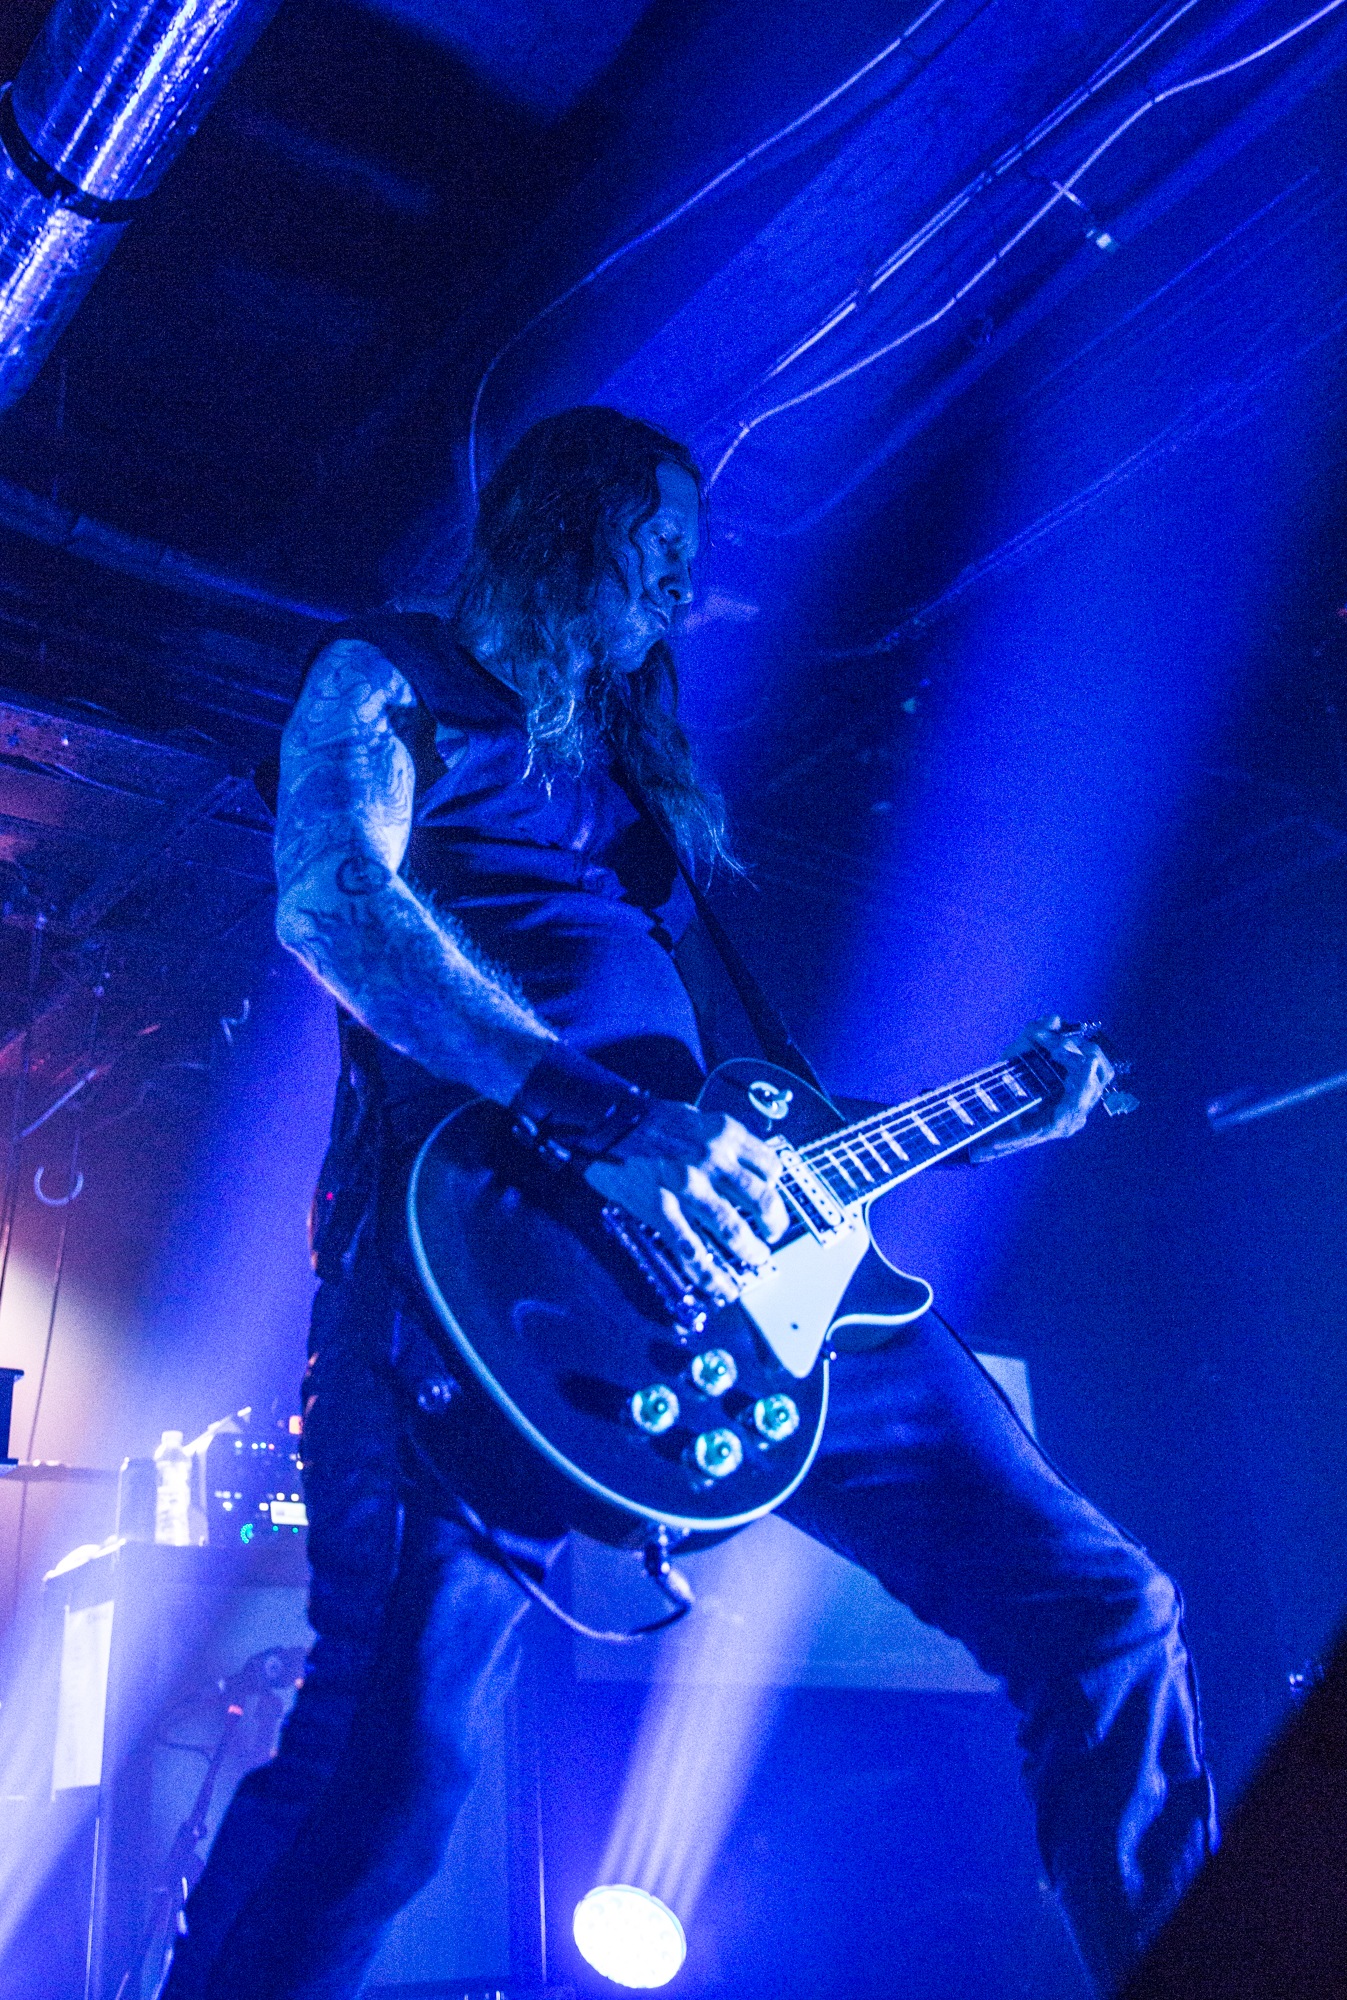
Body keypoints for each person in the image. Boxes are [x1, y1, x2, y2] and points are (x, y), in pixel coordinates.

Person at [162, 406, 1215, 2000]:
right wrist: (604, 1119)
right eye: (657, 549)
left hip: (744, 1280)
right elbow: (333, 902)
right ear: (557, 526)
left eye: (692, 566)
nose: (680, 591)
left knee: (1105, 1610)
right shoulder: (391, 679)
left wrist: (995, 1115)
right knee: (388, 1776)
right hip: (483, 1271)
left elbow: (749, 1125)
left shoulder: (639, 810)